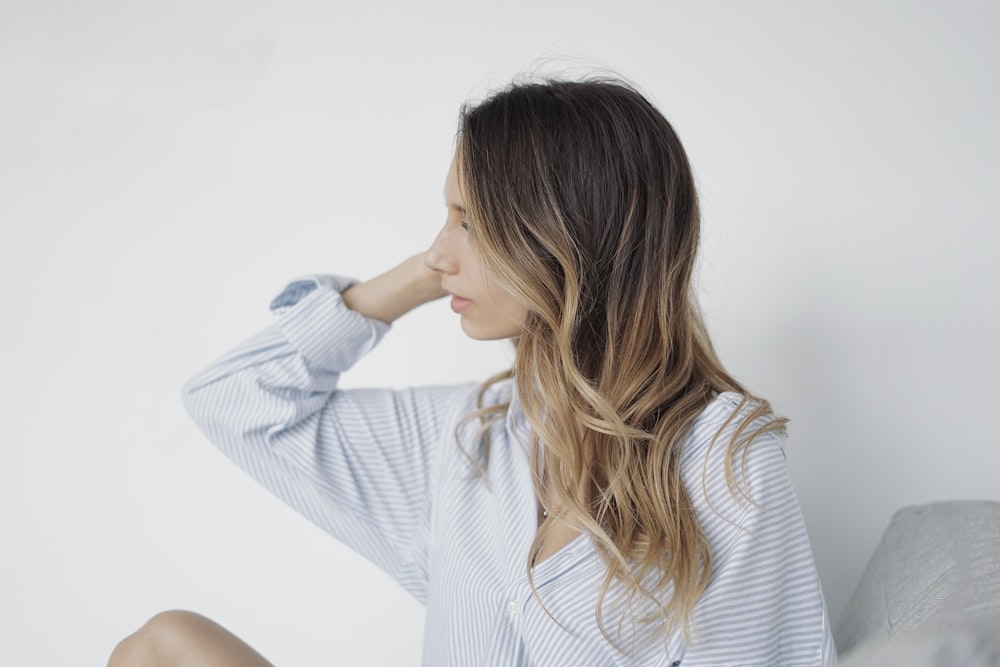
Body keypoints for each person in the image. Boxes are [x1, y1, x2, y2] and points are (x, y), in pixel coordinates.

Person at [109, 76, 837, 666]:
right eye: (448, 214)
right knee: (164, 645)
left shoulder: (722, 456)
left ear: (565, 237)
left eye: (470, 221)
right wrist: (416, 282)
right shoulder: (467, 439)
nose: (437, 251)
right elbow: (233, 400)